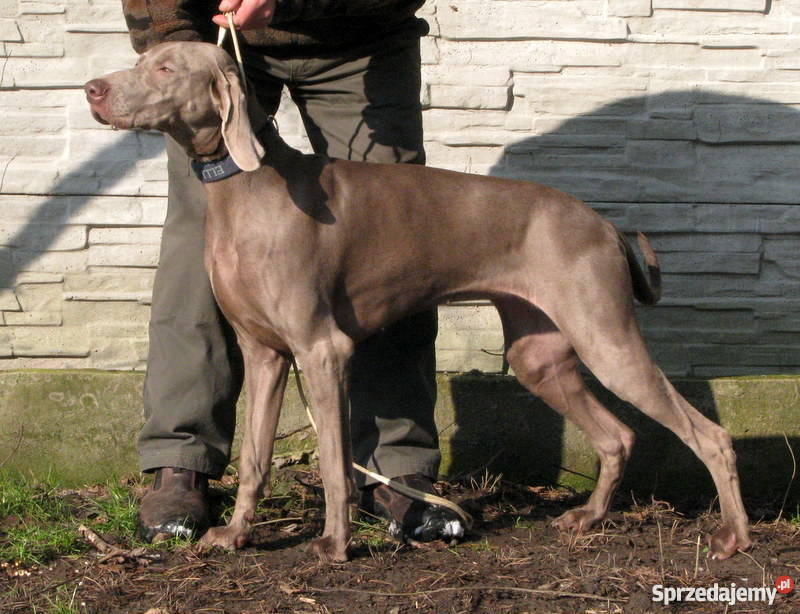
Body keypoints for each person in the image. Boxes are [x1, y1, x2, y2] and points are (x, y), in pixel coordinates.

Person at [121, 0, 462, 544]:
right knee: (198, 243)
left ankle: (394, 467)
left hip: (360, 38)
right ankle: (181, 460)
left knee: (396, 239)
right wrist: (181, 53)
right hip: (217, 43)